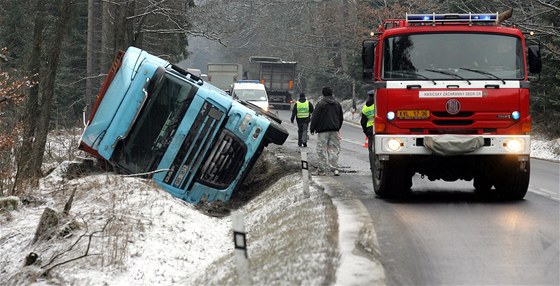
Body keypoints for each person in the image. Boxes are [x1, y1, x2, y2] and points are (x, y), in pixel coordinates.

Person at [310, 86, 343, 176]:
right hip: (334, 130)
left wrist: (312, 128)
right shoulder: (337, 104)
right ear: (331, 93)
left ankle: (321, 170)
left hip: (323, 130)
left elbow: (315, 117)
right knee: (334, 149)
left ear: (323, 93)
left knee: (321, 150)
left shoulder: (320, 104)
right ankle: (335, 169)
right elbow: (340, 117)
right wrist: (337, 127)